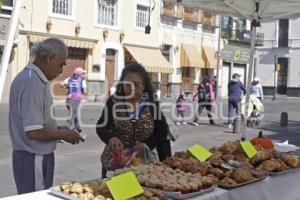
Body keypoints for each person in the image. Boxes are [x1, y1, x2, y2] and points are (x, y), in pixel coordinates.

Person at [9, 38, 84, 194]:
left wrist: (59, 129)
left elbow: (36, 123)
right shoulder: (31, 82)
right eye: (62, 64)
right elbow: (33, 132)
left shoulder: (34, 79)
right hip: (33, 157)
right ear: (49, 58)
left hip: (35, 157)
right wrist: (63, 134)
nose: (62, 70)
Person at [96, 63, 171, 178]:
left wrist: (147, 144)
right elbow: (101, 126)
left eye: (136, 84)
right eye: (127, 85)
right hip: (116, 163)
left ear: (144, 85)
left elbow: (162, 131)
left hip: (143, 166)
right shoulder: (114, 102)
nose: (132, 89)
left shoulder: (151, 104)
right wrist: (111, 138)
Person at [60, 67, 87, 132]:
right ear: (79, 74)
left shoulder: (69, 79)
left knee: (74, 113)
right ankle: (66, 129)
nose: (84, 74)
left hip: (68, 100)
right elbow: (85, 92)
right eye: (83, 73)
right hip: (76, 100)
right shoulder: (82, 81)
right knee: (72, 115)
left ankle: (78, 127)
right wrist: (83, 91)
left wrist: (68, 87)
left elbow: (61, 84)